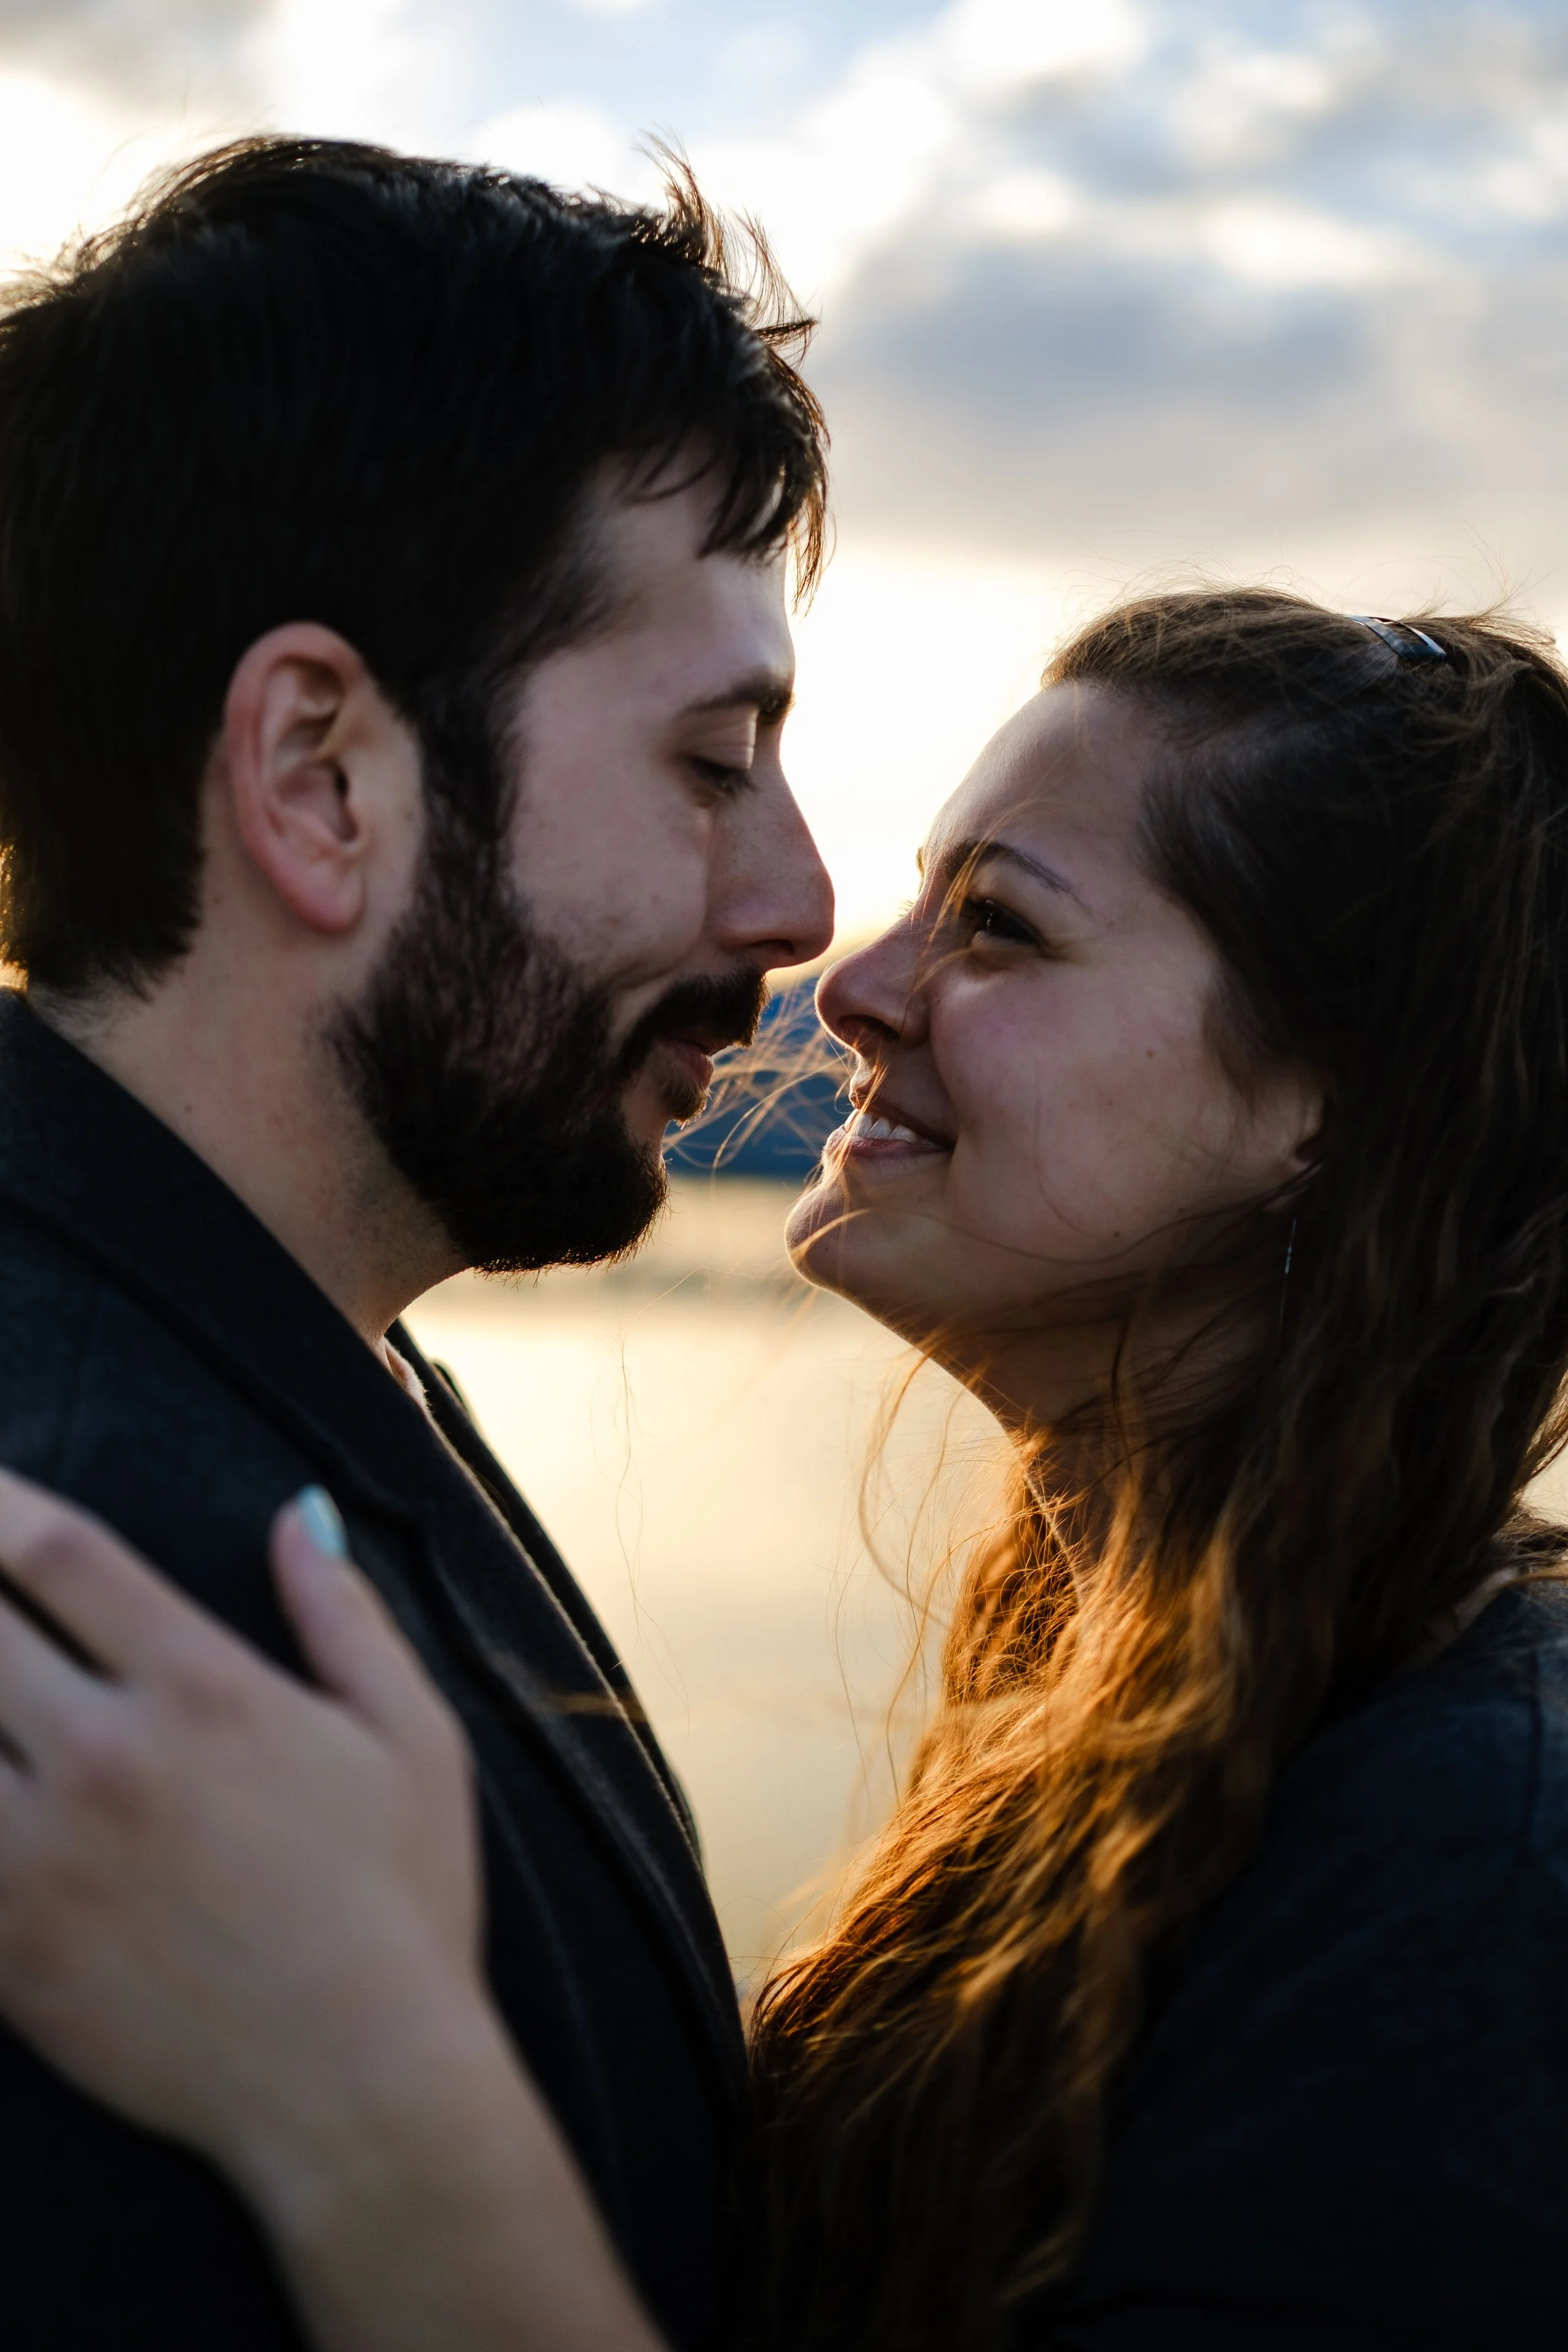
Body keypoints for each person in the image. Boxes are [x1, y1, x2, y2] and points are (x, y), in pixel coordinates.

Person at [1, 588, 1566, 2352]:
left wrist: (370, 2086)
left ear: (1336, 1111)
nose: (855, 988)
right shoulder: (1155, 1694)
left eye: (1000, 930)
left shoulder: (1479, 1883)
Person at [0, 135, 835, 2350]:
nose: (798, 904)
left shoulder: (279, 1352)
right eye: (712, 756)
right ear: (322, 777)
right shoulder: (97, 1619)